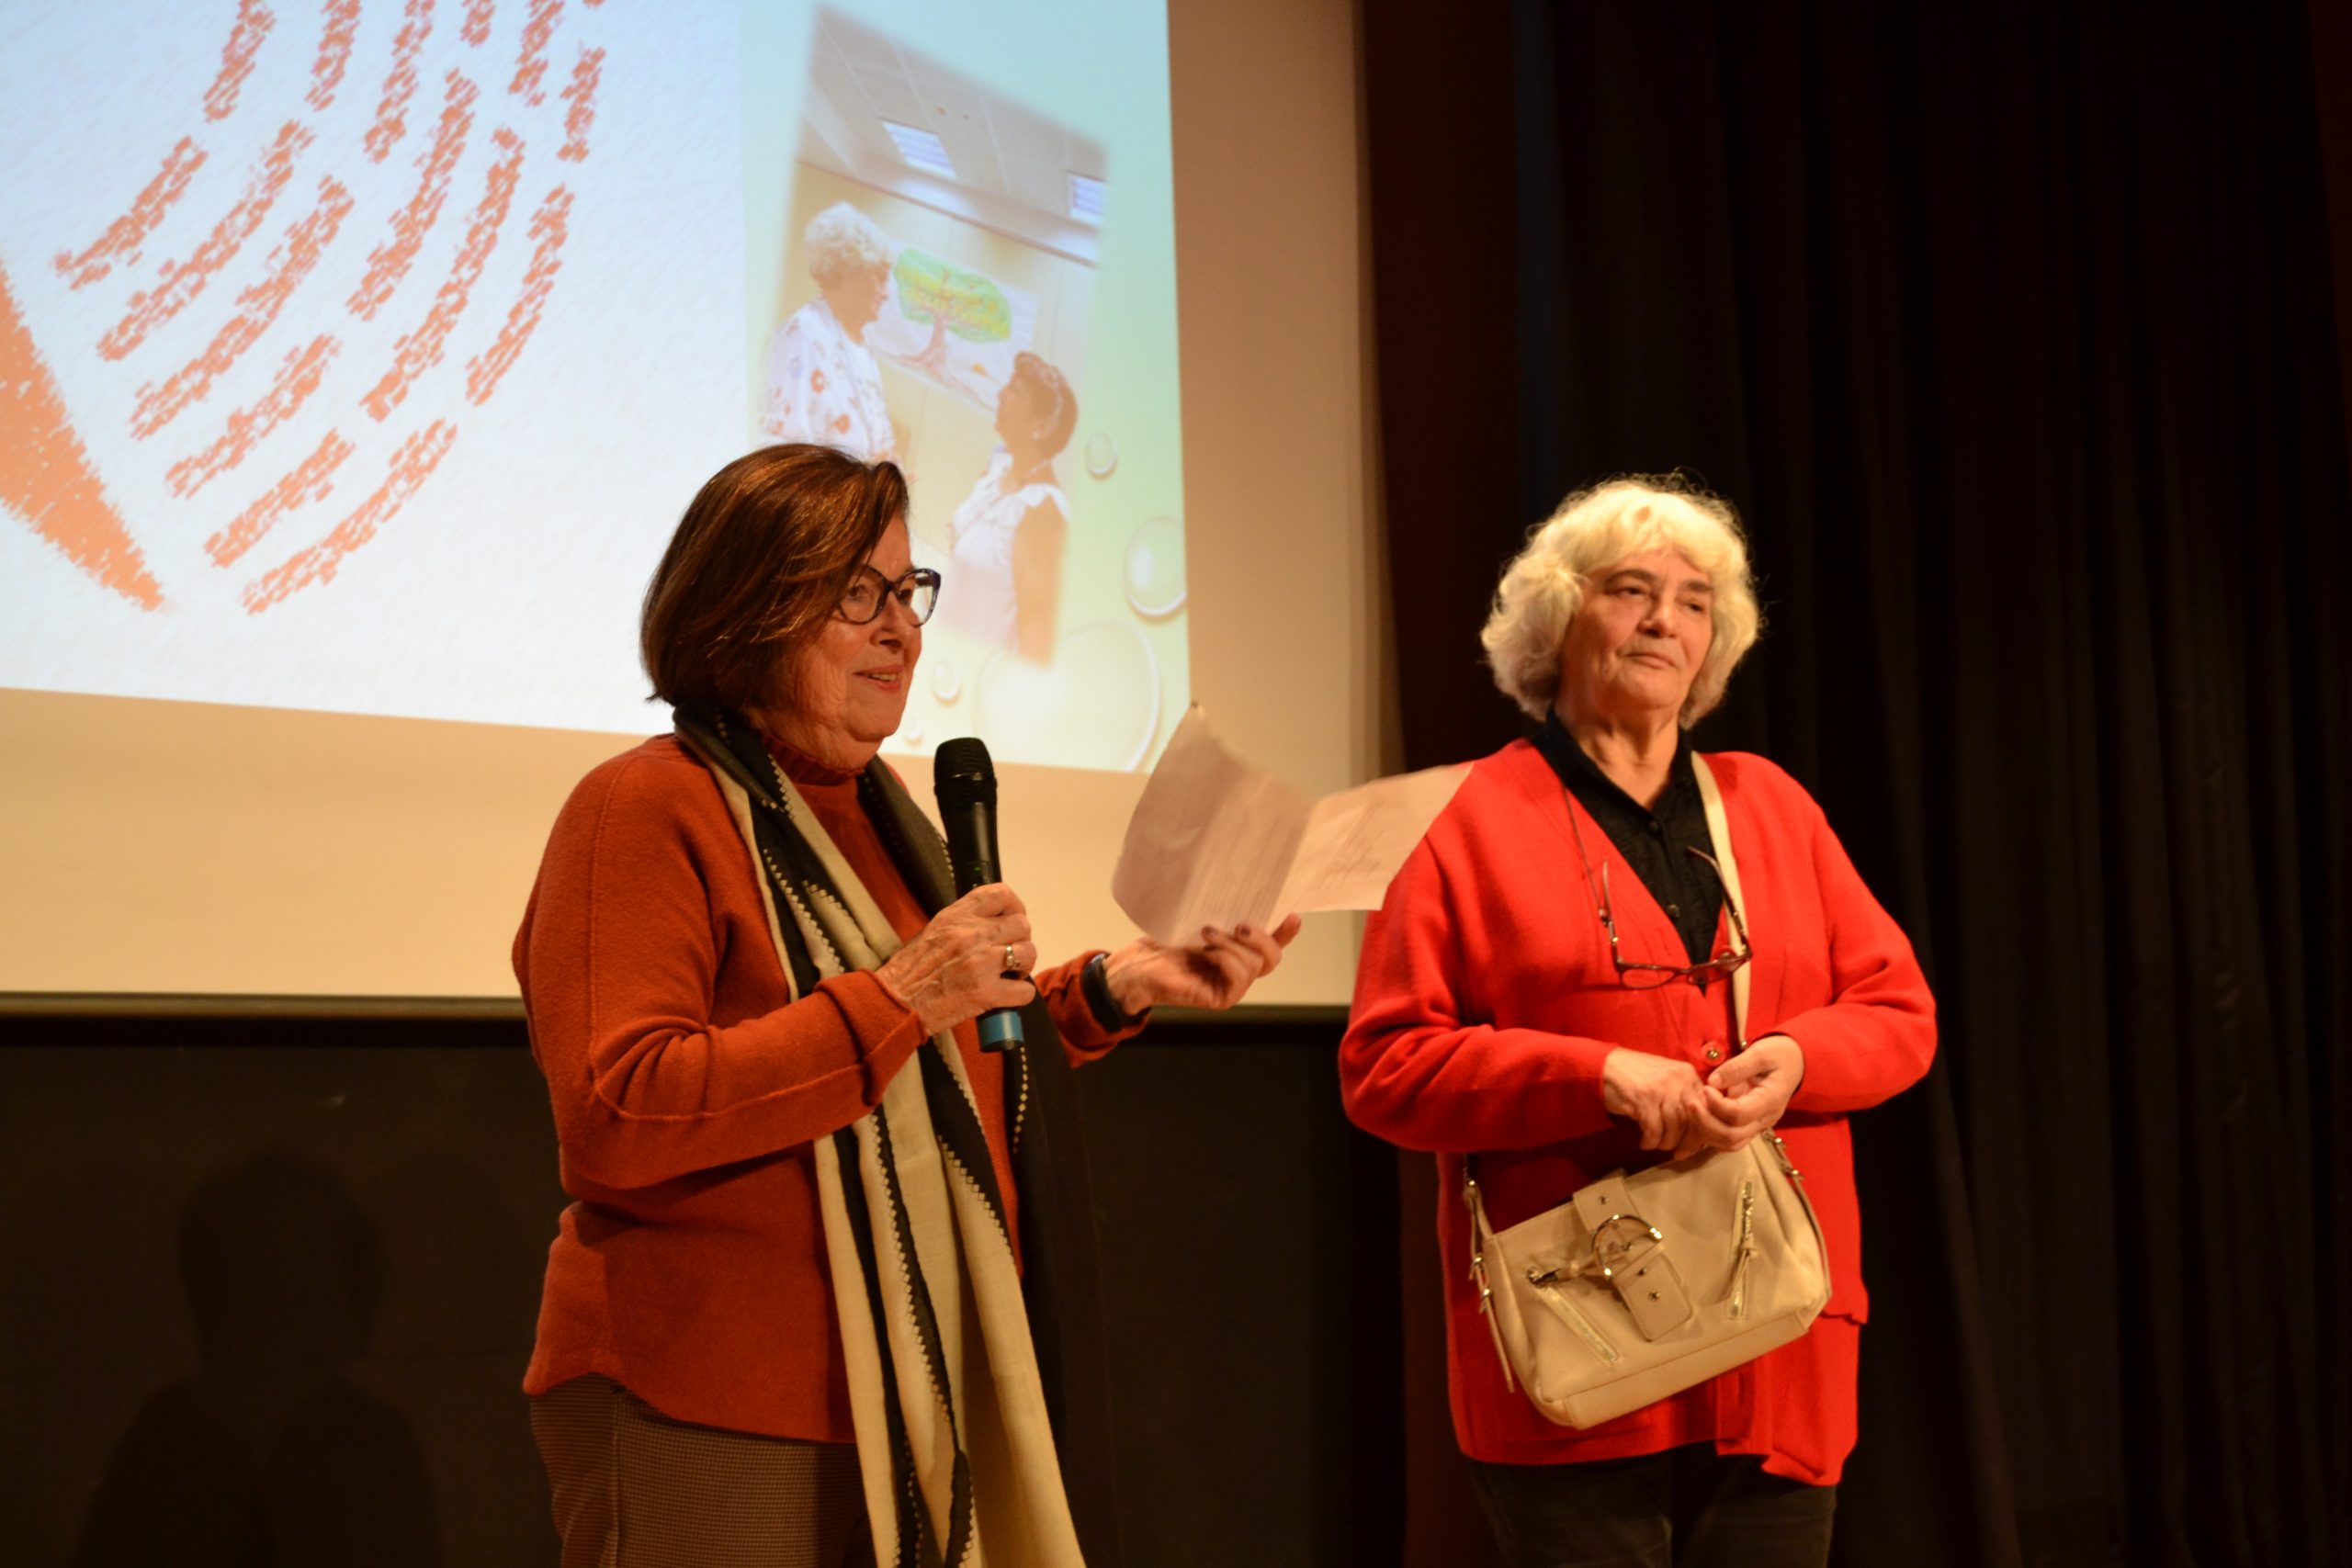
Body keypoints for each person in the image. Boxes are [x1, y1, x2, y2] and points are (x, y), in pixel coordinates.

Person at [514, 444, 1296, 1567]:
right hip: (707, 1391)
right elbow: (620, 1108)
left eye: (906, 589)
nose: (902, 630)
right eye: (856, 595)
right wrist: (896, 997)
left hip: (905, 1384)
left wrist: (1113, 987)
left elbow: (934, 1061)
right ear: (746, 612)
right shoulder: (641, 808)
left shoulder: (879, 811)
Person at [1339, 476, 1935, 1567]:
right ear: (1557, 618)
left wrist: (1795, 1057)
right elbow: (1386, 1067)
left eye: (1693, 601)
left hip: (1779, 1344)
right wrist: (1599, 1077)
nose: (1665, 619)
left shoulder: (1772, 804)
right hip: (1582, 1345)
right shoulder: (1454, 819)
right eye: (1630, 591)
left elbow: (1898, 1012)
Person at [939, 352, 1079, 660]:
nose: (1001, 394)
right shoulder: (998, 468)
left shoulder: (1043, 510)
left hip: (978, 672)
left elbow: (1037, 635)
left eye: (1015, 392)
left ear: (1042, 425)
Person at [761, 203, 899, 460]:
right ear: (850, 270)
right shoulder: (802, 334)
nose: (886, 293)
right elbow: (783, 454)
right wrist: (864, 471)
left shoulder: (862, 345)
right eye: (880, 277)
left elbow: (879, 441)